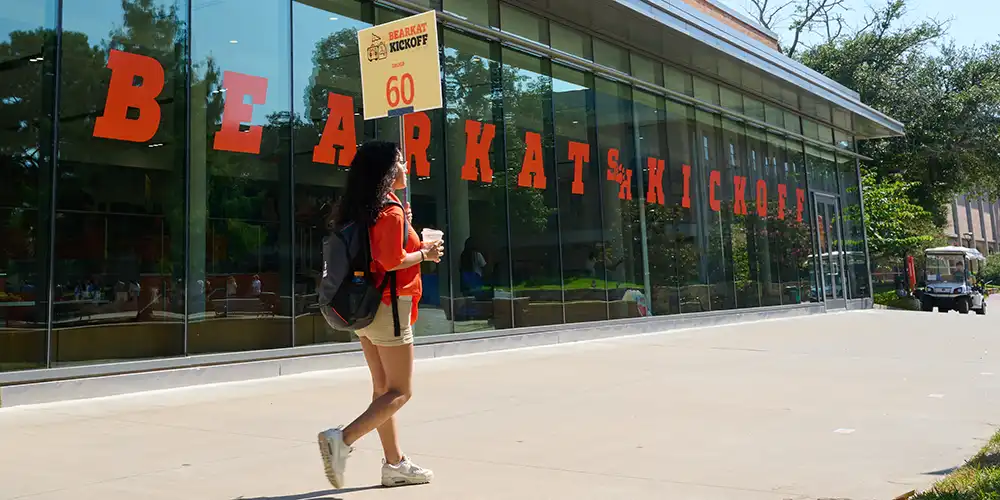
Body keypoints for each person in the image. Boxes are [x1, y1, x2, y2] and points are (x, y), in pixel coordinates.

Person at [317, 141, 444, 489]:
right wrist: (426, 254)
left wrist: (412, 238)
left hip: (367, 308)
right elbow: (391, 261)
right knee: (401, 392)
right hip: (390, 308)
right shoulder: (390, 210)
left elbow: (382, 252)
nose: (406, 168)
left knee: (383, 390)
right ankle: (341, 440)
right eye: (400, 162)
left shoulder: (365, 207)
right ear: (386, 171)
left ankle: (394, 464)